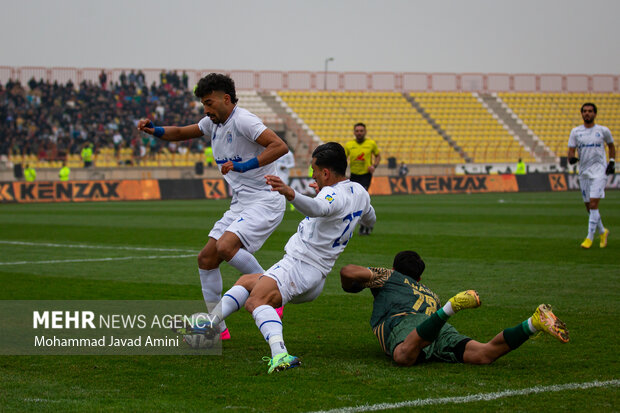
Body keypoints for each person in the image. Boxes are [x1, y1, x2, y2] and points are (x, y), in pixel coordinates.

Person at [188, 142, 376, 373]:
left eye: (314, 171)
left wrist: (291, 193)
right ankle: (208, 325)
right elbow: (370, 219)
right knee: (246, 282)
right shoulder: (359, 192)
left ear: (325, 173)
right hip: (316, 276)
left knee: (256, 301)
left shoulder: (330, 194)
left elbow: (317, 208)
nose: (313, 175)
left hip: (299, 266)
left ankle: (280, 354)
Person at [138, 73, 288, 340]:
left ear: (226, 99)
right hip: (242, 202)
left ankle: (272, 291)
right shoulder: (212, 123)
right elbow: (182, 132)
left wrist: (244, 166)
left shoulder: (243, 120)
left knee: (225, 247)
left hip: (265, 199)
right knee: (206, 258)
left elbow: (279, 146)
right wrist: (156, 130)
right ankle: (217, 328)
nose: (206, 110)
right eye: (203, 105)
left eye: (209, 103)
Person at [339, 250, 569, 367]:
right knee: (483, 354)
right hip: (435, 328)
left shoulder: (391, 275)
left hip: (406, 323)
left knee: (403, 357)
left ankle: (452, 307)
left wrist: (359, 284)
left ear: (394, 268)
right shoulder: (430, 293)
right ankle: (533, 323)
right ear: (420, 277)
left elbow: (347, 272)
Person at [567, 102, 615, 249]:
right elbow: (570, 151)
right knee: (589, 207)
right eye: (585, 111)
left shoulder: (603, 130)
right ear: (582, 114)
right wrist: (571, 158)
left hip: (599, 172)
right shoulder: (575, 132)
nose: (587, 113)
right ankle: (603, 231)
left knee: (594, 204)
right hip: (584, 173)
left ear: (595, 114)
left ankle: (589, 238)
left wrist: (612, 162)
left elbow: (611, 146)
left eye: (590, 111)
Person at [344, 122, 381, 235]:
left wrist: (374, 166)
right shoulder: (349, 145)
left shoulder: (371, 143)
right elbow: (343, 159)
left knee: (361, 199)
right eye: (357, 131)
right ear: (354, 132)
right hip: (354, 175)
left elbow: (378, 155)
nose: (359, 133)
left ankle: (364, 225)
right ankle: (365, 224)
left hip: (365, 175)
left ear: (365, 132)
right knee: (355, 200)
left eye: (361, 131)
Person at [275, 140, 296, 211]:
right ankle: (277, 205)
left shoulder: (289, 154)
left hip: (284, 175)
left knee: (282, 190)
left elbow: (293, 164)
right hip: (276, 174)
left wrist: (285, 166)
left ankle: (285, 205)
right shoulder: (277, 152)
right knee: (276, 190)